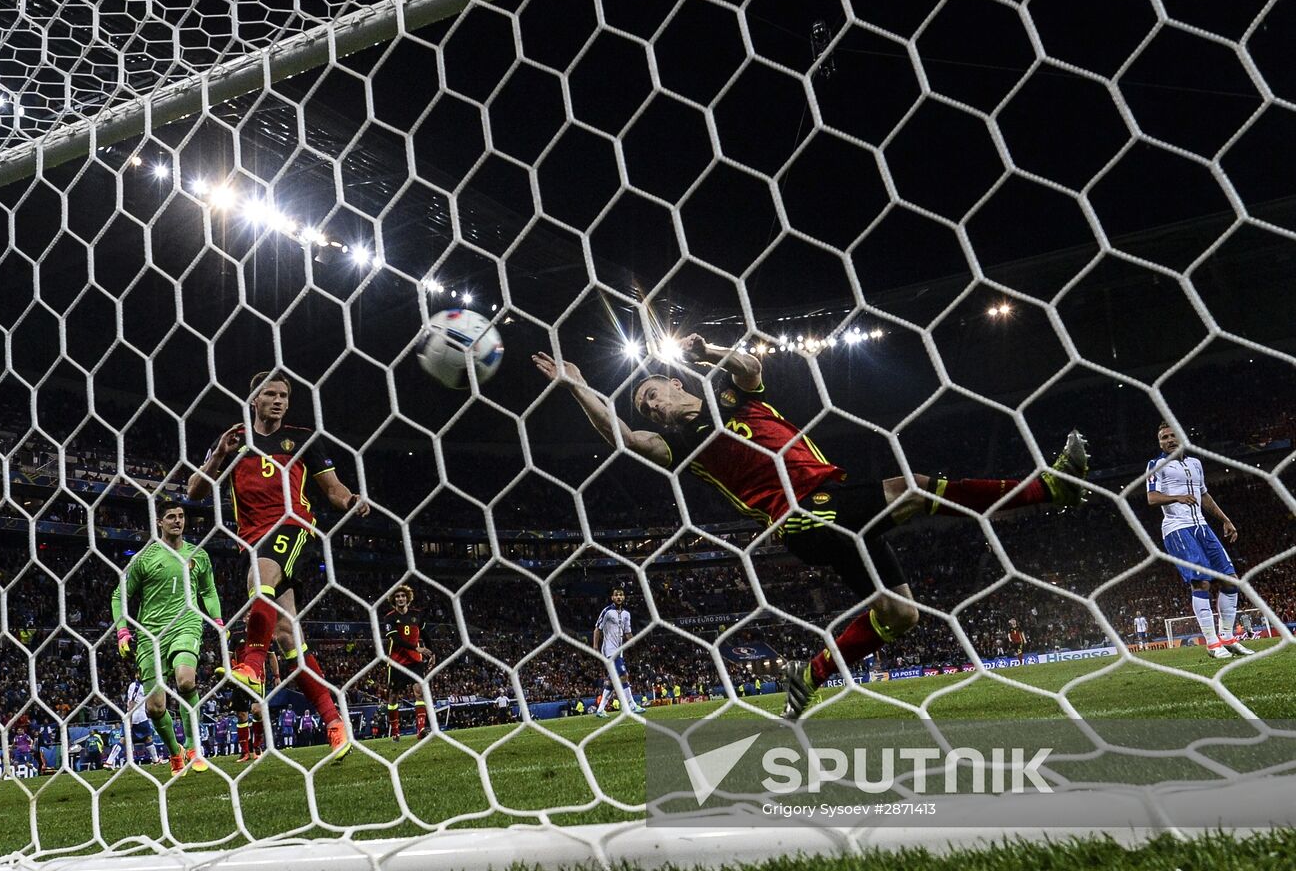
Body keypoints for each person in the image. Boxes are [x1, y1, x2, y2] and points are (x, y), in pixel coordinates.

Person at [532, 336, 1089, 721]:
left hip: (830, 504)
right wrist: (577, 387)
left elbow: (751, 368)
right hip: (802, 515)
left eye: (652, 394)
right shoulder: (682, 445)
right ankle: (1049, 489)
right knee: (912, 488)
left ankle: (811, 674)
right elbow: (623, 439)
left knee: (902, 615)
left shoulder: (731, 397)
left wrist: (712, 353)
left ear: (679, 385)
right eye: (644, 406)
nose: (650, 407)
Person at [187, 371, 364, 758]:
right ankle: (335, 724)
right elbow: (194, 491)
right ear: (254, 400)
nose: (279, 400)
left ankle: (250, 666)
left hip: (293, 526)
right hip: (251, 539)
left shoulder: (302, 440)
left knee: (260, 579)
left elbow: (333, 490)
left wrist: (352, 501)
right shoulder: (234, 443)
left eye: (284, 394)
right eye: (270, 394)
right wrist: (218, 454)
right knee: (287, 636)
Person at [111, 500, 223, 774]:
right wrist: (123, 631)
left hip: (187, 622)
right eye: (171, 517)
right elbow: (119, 596)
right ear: (159, 522)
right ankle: (175, 752)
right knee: (155, 707)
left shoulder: (199, 555)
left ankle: (194, 746)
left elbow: (208, 591)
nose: (177, 521)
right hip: (151, 634)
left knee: (186, 680)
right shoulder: (144, 558)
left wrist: (218, 620)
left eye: (181, 516)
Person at [1146, 423, 1252, 659]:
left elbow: (1203, 495)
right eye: (1164, 437)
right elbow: (1152, 498)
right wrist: (1177, 497)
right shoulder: (1156, 465)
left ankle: (1228, 638)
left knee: (1231, 580)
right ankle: (1213, 644)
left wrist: (1225, 520)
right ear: (1160, 442)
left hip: (1202, 527)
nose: (1170, 440)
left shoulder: (1195, 464)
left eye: (1174, 435)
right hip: (1177, 529)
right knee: (1201, 582)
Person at [382, 585, 434, 742]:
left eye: (403, 596)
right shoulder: (389, 617)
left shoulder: (417, 615)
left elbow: (425, 634)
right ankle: (395, 731)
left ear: (407, 598)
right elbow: (396, 640)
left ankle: (421, 729)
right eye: (397, 596)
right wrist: (417, 647)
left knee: (419, 691)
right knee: (393, 696)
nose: (400, 599)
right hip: (397, 661)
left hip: (415, 661)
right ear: (394, 600)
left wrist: (431, 652)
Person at [591, 587, 643, 717]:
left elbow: (628, 632)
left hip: (619, 651)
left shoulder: (626, 614)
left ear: (624, 597)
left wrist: (633, 641)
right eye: (616, 595)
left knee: (611, 681)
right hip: (609, 649)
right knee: (623, 675)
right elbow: (597, 629)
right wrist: (595, 646)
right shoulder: (607, 611)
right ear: (612, 597)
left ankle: (600, 709)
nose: (619, 597)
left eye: (621, 595)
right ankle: (632, 705)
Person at [123, 674, 161, 766]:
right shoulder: (136, 686)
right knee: (147, 737)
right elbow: (131, 702)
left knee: (125, 739)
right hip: (138, 717)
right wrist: (130, 719)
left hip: (135, 716)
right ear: (136, 675)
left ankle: (110, 761)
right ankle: (155, 759)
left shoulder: (139, 686)